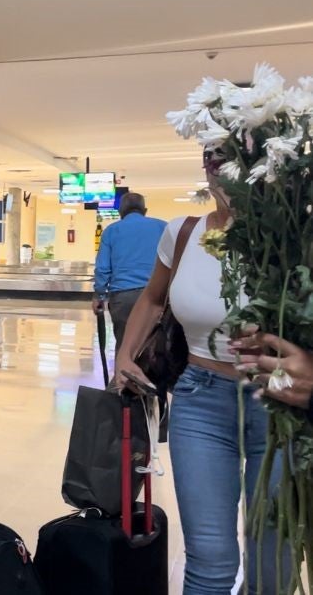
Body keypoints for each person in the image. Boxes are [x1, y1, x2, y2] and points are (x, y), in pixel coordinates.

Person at [114, 150, 287, 594]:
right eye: (212, 157)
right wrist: (125, 354)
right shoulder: (183, 233)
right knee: (209, 559)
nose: (221, 169)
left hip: (282, 404)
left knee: (273, 562)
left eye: (239, 154)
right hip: (200, 398)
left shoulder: (292, 232)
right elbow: (154, 299)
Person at [91, 192, 166, 352]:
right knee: (156, 347)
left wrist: (99, 296)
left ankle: (123, 375)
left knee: (125, 346)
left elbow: (103, 267)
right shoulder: (163, 227)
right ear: (145, 210)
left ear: (120, 212)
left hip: (123, 298)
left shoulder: (112, 231)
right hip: (158, 296)